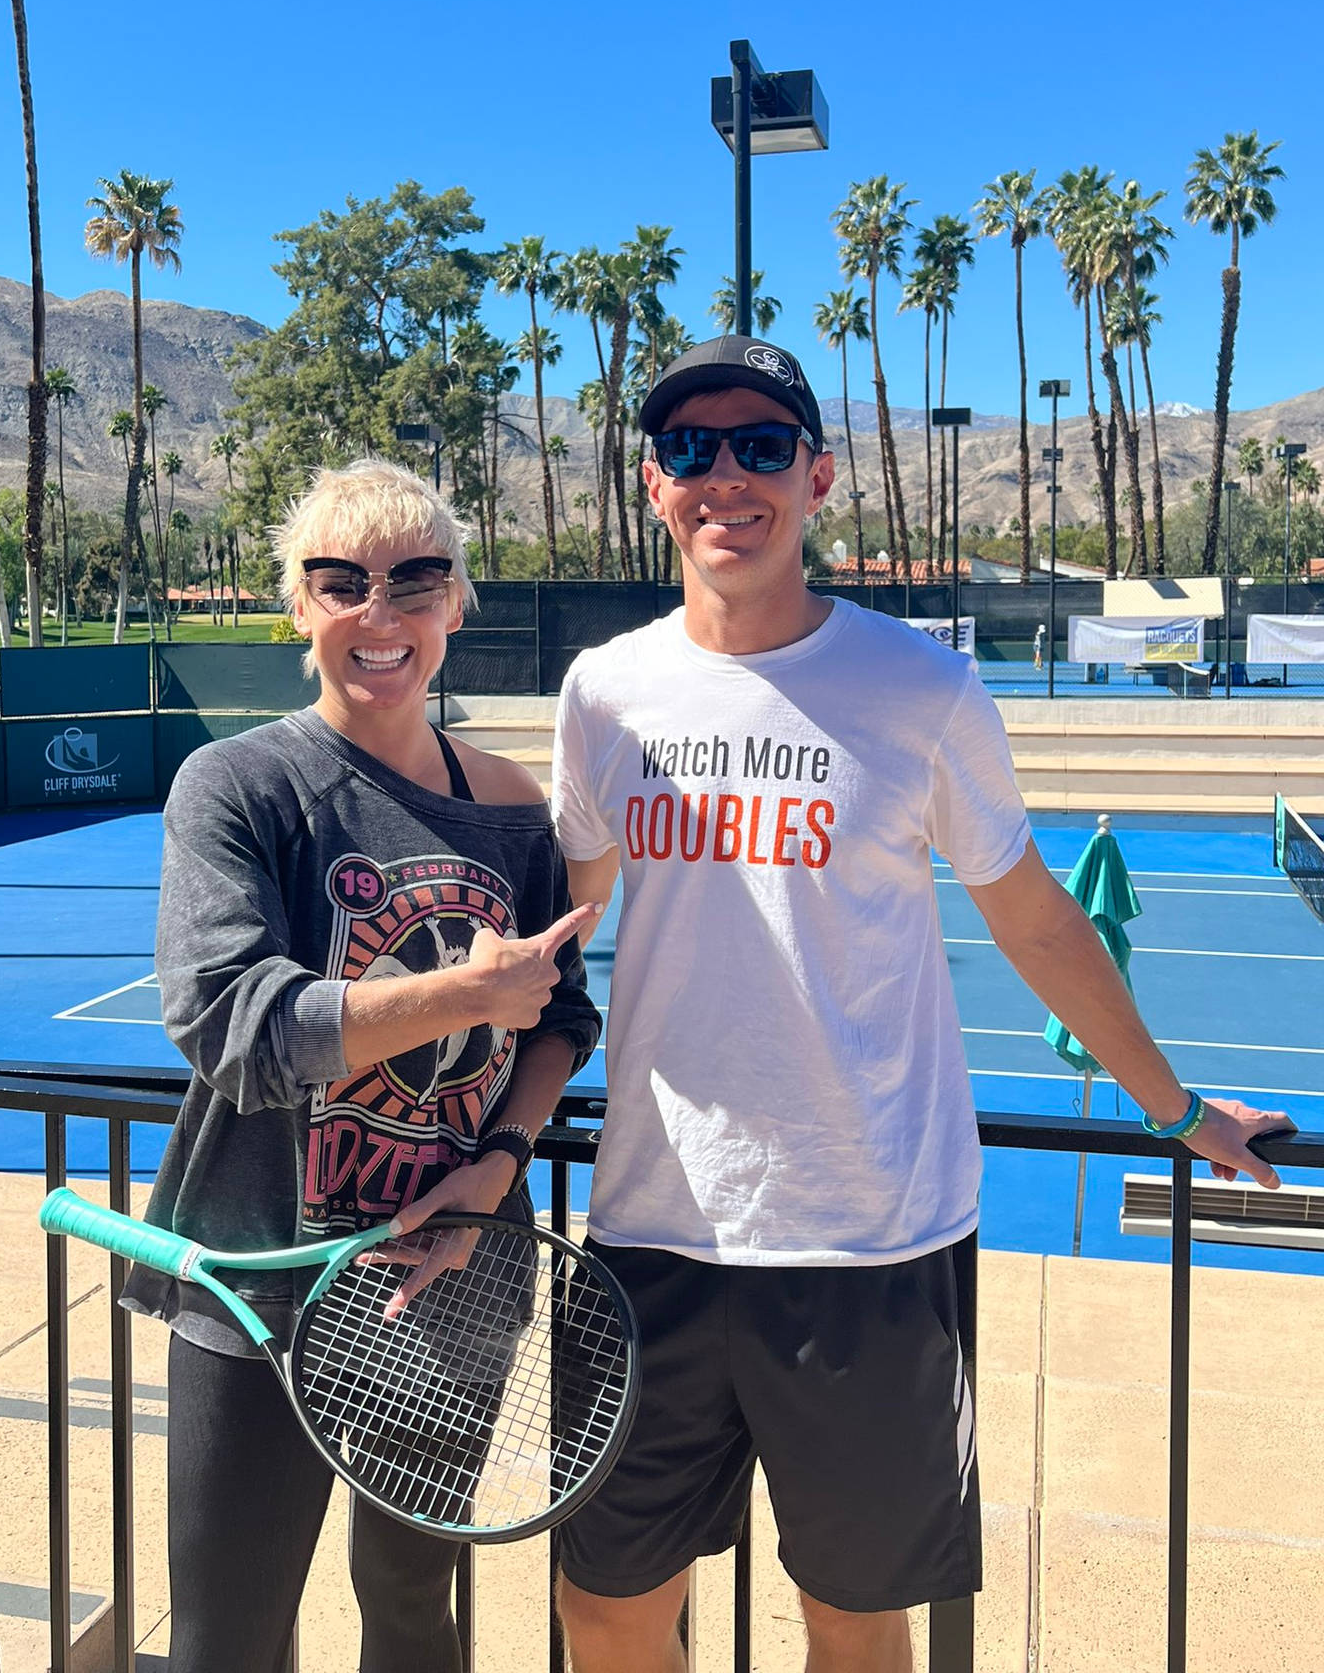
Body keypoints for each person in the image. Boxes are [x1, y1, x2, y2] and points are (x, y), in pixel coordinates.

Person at [548, 335, 1290, 1673]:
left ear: (818, 477)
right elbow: (556, 917)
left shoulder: (924, 689)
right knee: (603, 1605)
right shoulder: (603, 693)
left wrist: (1174, 1109)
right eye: (690, 448)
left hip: (868, 1242)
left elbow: (1035, 920)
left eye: (762, 446)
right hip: (651, 1227)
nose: (727, 475)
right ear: (653, 483)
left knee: (854, 1615)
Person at [123, 458, 600, 1673]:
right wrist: (460, 992)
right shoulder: (238, 786)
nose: (378, 617)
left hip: (447, 1280)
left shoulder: (511, 812)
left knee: (410, 1614)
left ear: (455, 604)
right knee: (227, 1637)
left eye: (416, 582)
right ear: (298, 606)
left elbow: (559, 1020)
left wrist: (494, 1168)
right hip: (259, 1282)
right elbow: (234, 1024)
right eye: (342, 584)